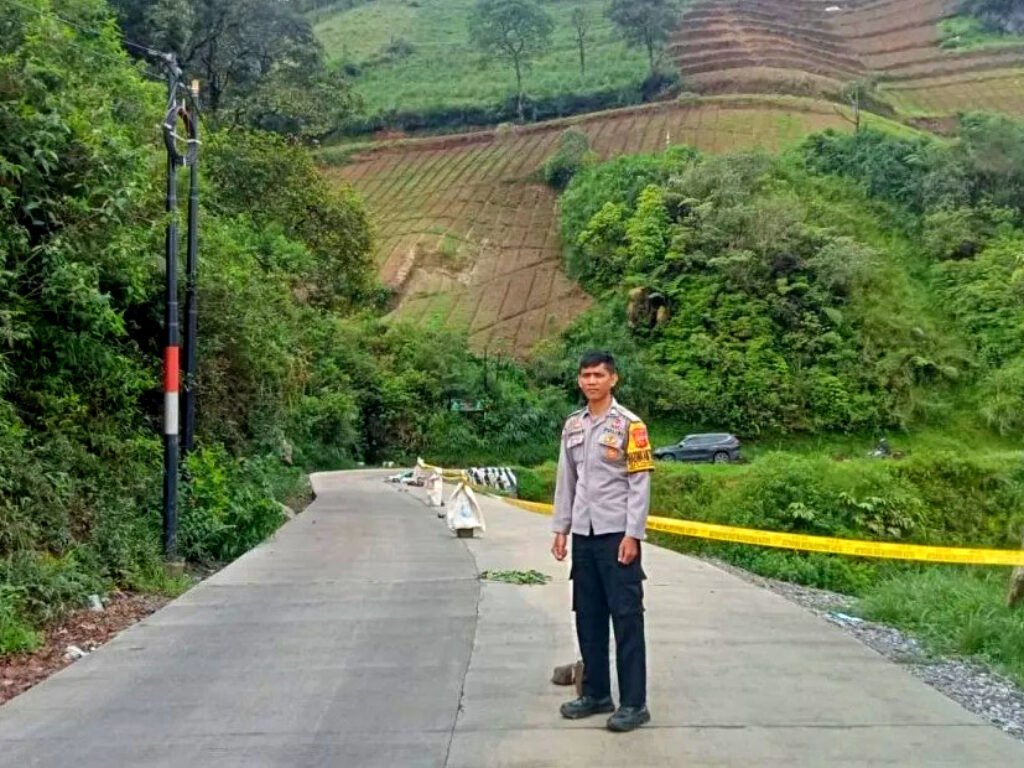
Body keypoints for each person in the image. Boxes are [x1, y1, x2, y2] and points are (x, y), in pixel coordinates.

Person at [550, 350, 654, 732]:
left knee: (626, 618)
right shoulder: (573, 426)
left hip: (617, 535)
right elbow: (567, 479)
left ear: (613, 379)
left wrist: (633, 534)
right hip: (584, 534)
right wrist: (561, 528)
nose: (591, 381)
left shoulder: (630, 425)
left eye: (598, 375)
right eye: (585, 375)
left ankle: (634, 703)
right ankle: (595, 694)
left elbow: (639, 483)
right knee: (588, 615)